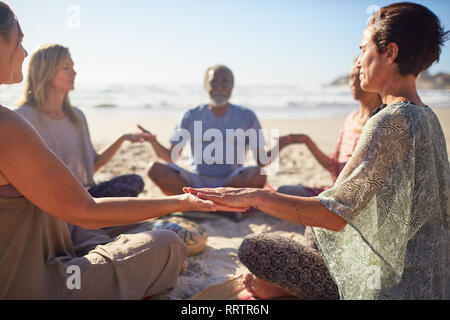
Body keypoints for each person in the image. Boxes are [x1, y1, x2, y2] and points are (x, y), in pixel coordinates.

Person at [186, 2, 449, 300]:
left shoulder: (391, 121)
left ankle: (280, 290)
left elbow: (334, 215)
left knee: (255, 248)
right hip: (430, 275)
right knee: (313, 233)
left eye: (363, 49)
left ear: (390, 53)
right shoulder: (427, 116)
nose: (359, 62)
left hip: (392, 285)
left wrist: (255, 196)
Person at [0, 2, 246, 299]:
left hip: (51, 232)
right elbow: (86, 210)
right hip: (34, 284)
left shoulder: (67, 116)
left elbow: (81, 190)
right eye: (19, 40)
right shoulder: (11, 123)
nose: (24, 53)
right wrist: (183, 201)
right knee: (167, 244)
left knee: (98, 224)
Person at [16, 44, 146, 199]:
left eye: (73, 67)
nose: (74, 72)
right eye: (66, 67)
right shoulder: (23, 117)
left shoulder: (76, 116)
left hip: (84, 196)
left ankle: (93, 219)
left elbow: (93, 165)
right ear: (46, 72)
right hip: (51, 201)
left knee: (134, 181)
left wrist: (122, 138)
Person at [140, 65, 269, 196]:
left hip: (231, 181)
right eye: (213, 82)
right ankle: (209, 202)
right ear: (205, 85)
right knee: (155, 169)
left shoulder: (246, 116)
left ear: (232, 86)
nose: (219, 87)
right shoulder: (190, 115)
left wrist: (281, 144)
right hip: (196, 181)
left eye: (225, 82)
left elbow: (261, 160)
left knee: (258, 174)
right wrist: (153, 142)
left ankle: (211, 202)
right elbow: (172, 156)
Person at [277, 61, 382, 198]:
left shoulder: (383, 122)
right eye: (351, 77)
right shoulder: (351, 119)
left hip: (357, 200)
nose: (353, 83)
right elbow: (333, 166)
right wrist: (307, 141)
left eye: (359, 76)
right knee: (284, 191)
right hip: (335, 193)